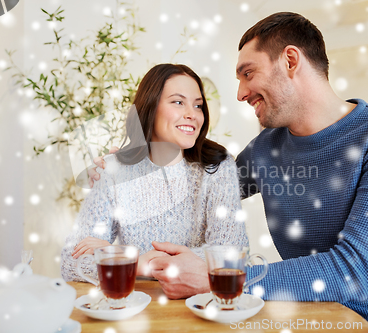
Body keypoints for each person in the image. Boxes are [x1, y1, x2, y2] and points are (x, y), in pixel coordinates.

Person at [88, 11, 368, 332]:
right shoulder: (267, 147)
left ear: (290, 61)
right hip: (303, 320)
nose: (241, 93)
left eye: (248, 73)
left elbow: (354, 273)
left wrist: (218, 279)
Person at [60, 64, 248, 282]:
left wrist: (129, 259)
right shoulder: (113, 170)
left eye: (198, 106)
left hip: (200, 304)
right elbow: (71, 263)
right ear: (150, 107)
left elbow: (233, 256)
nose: (192, 114)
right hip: (137, 307)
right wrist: (140, 264)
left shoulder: (217, 167)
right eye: (178, 102)